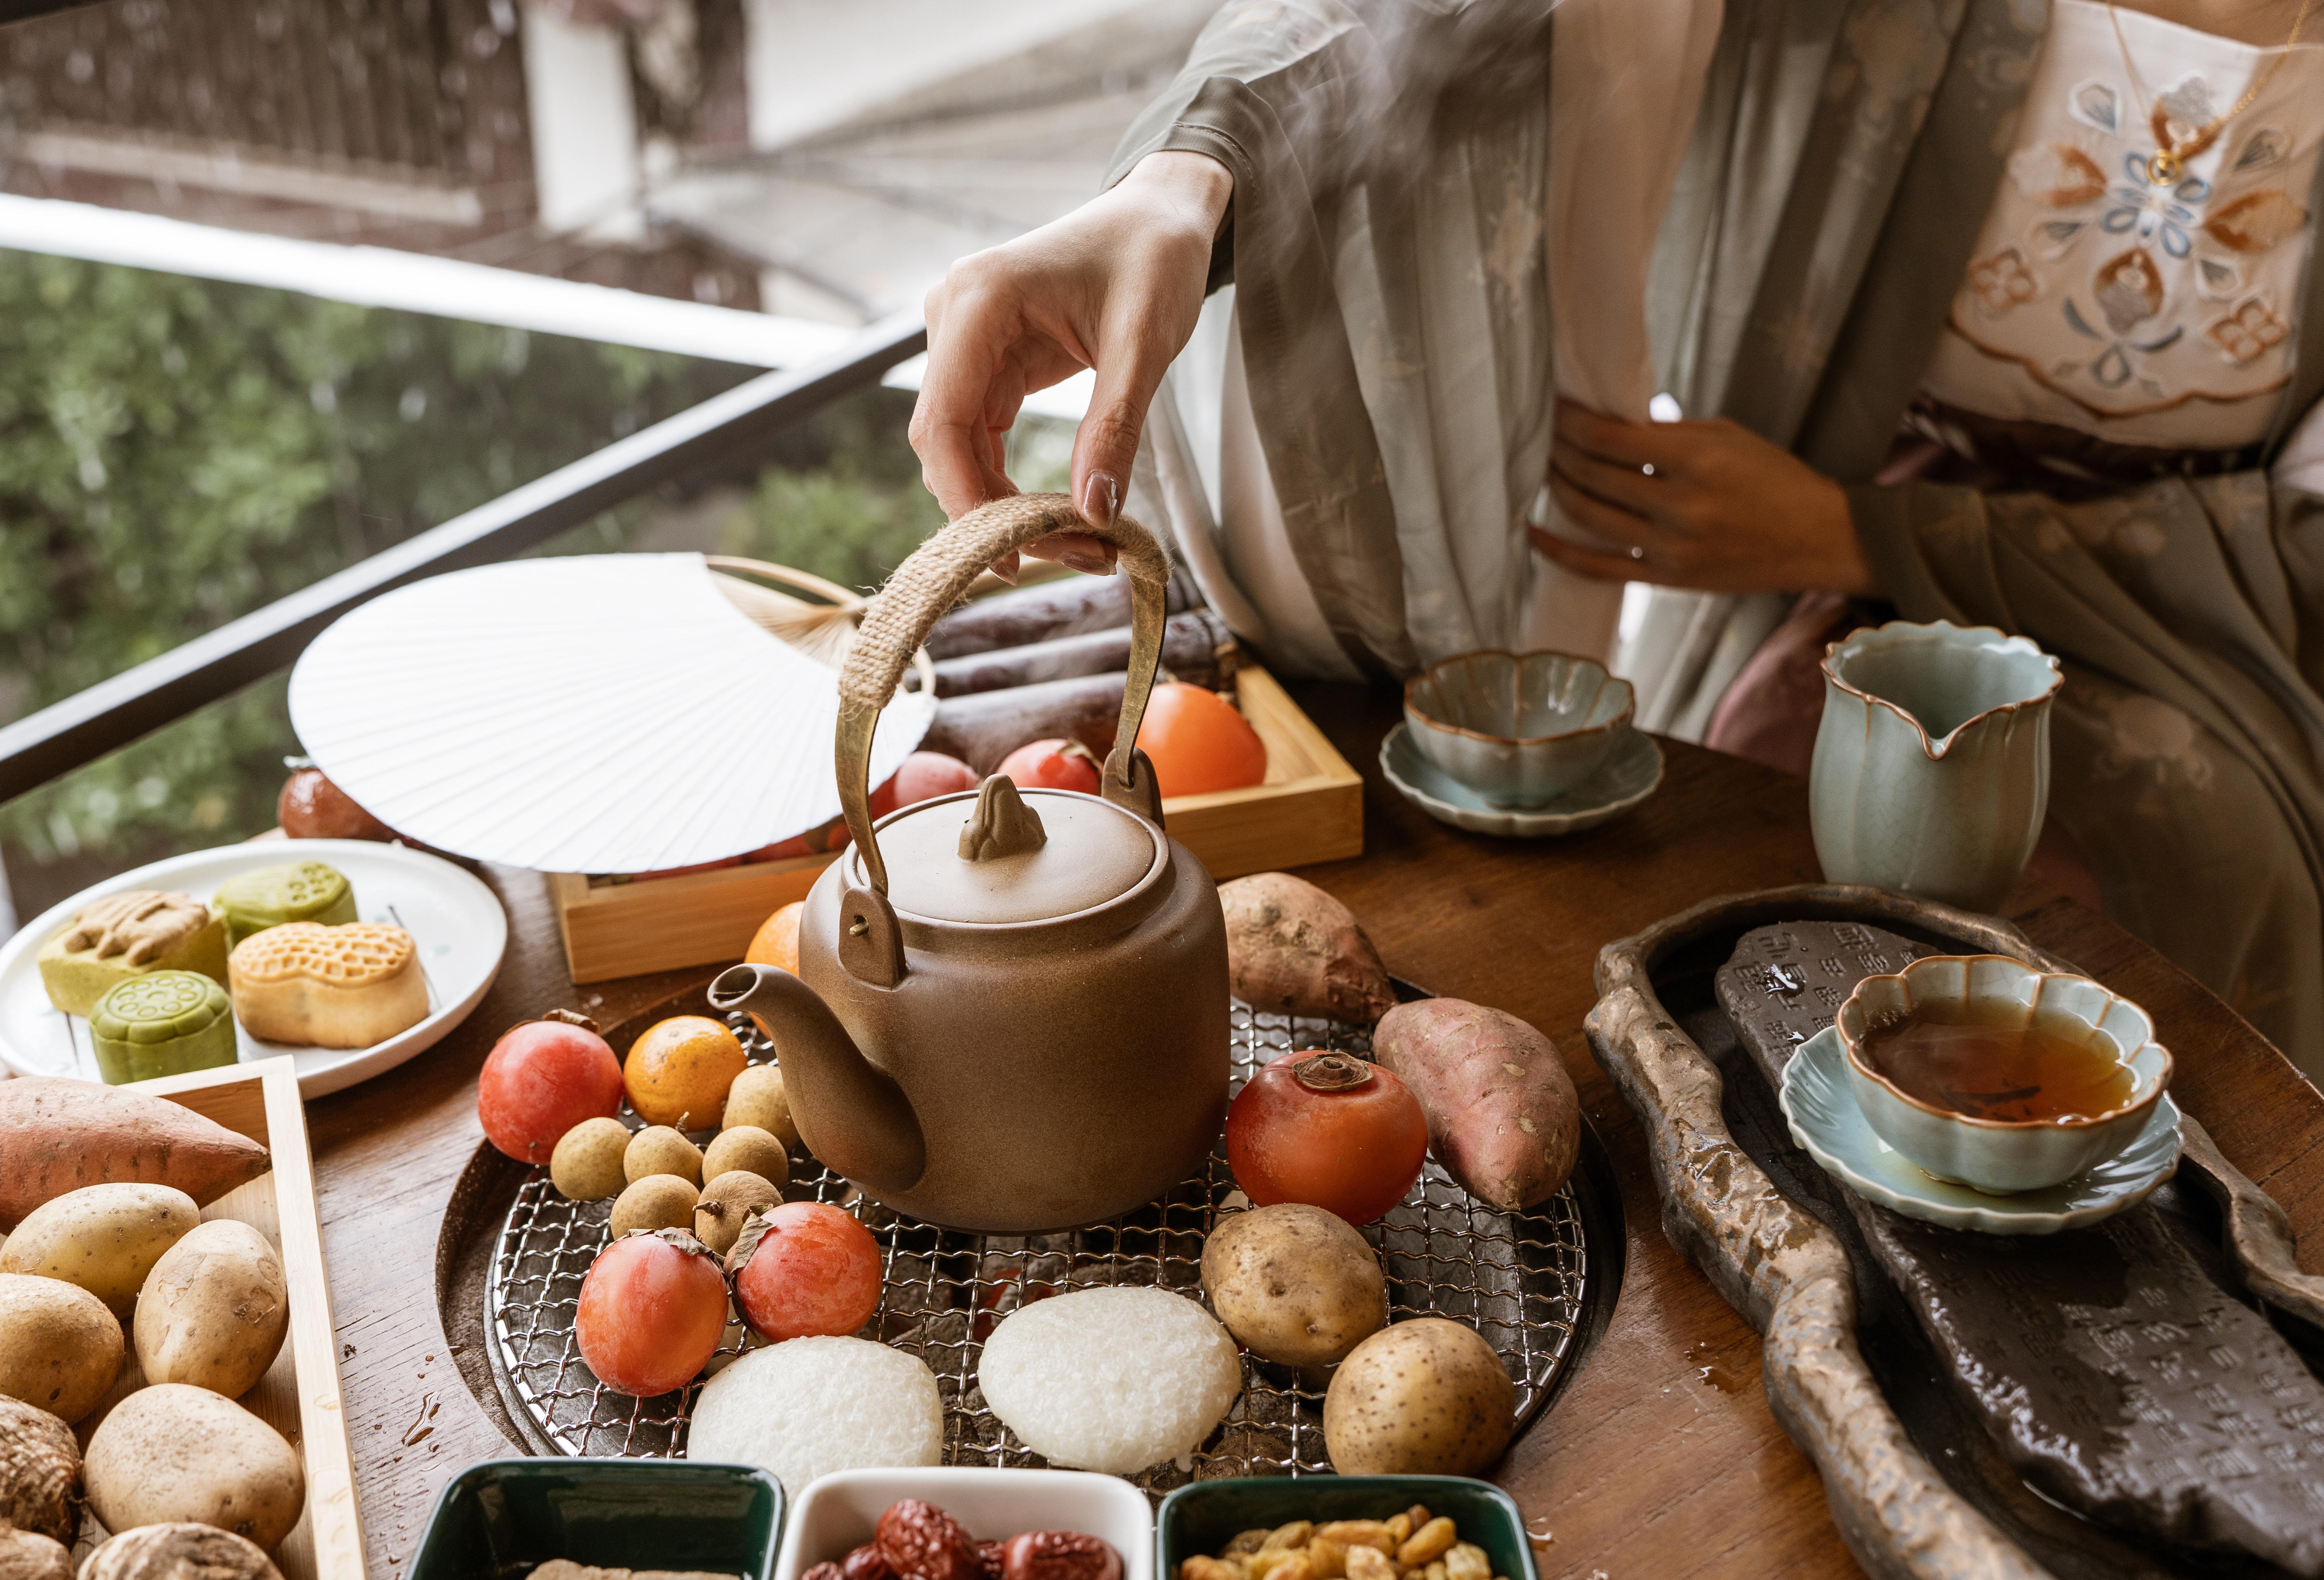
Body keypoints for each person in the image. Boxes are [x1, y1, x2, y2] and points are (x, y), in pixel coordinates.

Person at [909, 0, 2324, 1075]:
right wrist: (1188, 169)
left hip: (2217, 599)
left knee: (2203, 870)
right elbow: (1440, 25)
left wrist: (1856, 529)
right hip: (1796, 526)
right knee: (1766, 918)